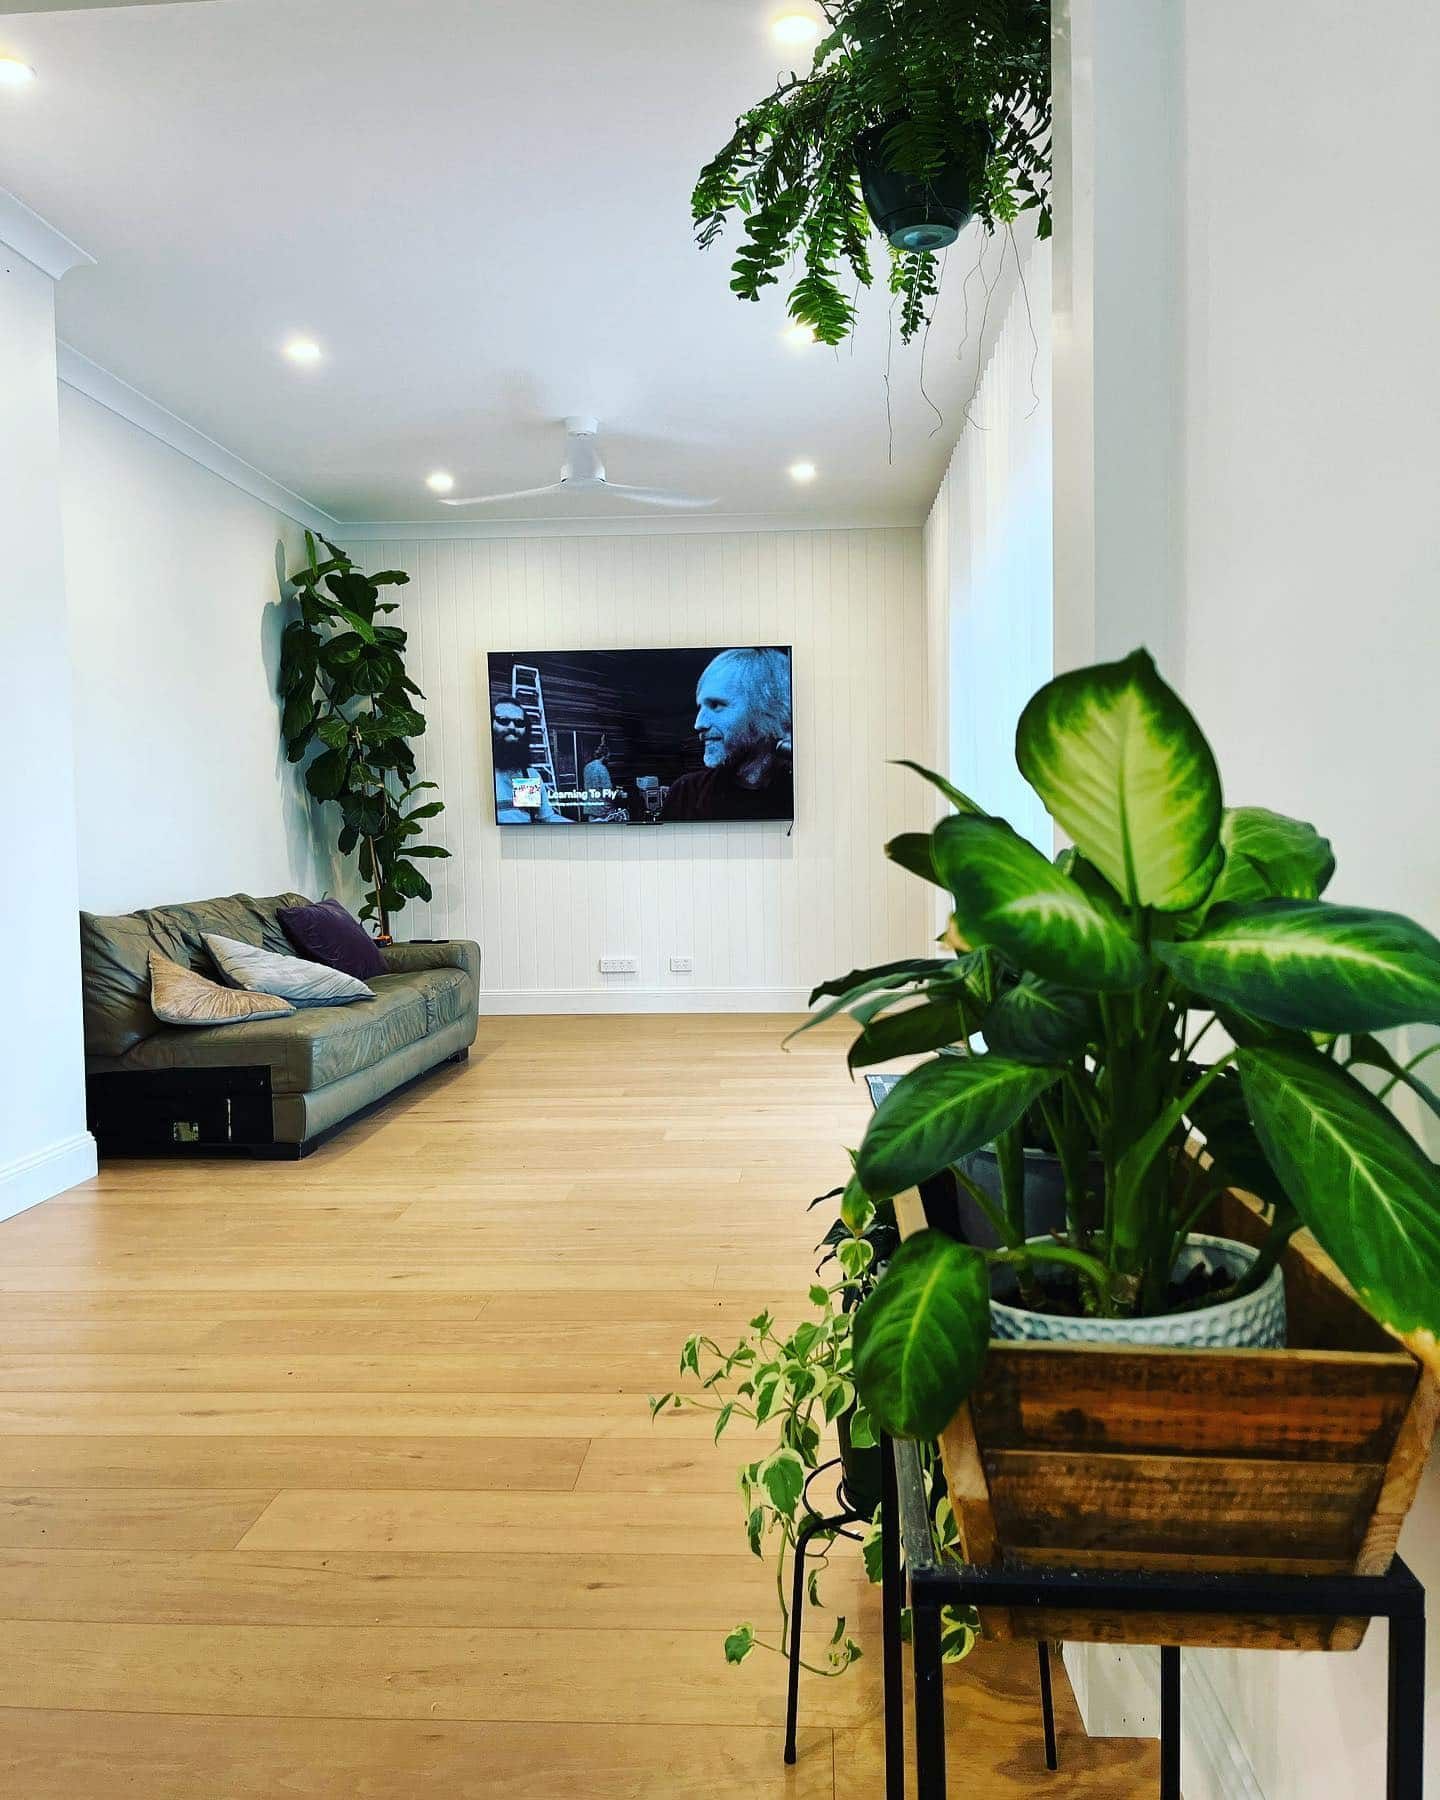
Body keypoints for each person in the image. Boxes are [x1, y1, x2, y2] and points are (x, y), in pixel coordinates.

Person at [661, 648, 793, 823]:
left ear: (770, 711)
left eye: (716, 705)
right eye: (700, 708)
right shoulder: (686, 794)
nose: (699, 724)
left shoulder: (804, 792)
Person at [492, 698, 571, 823]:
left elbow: (545, 818)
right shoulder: (477, 774)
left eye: (519, 723)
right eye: (503, 721)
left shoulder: (527, 775)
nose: (512, 727)